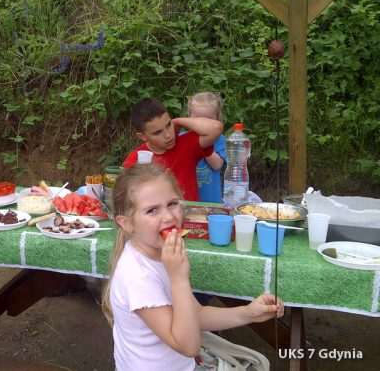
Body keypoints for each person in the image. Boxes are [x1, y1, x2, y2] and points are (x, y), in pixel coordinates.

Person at [101, 164, 284, 371]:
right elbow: (188, 347)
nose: (168, 217)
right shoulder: (138, 276)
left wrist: (248, 313)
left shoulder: (160, 255)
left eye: (172, 204)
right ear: (127, 223)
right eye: (152, 210)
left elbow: (196, 314)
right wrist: (178, 278)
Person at [122, 97, 223, 201]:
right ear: (142, 136)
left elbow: (216, 128)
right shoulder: (135, 160)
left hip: (190, 211)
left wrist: (178, 121)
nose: (168, 135)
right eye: (157, 132)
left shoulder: (187, 143)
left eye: (169, 125)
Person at [187, 92, 226, 204]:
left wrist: (204, 144)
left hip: (211, 202)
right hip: (187, 201)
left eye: (208, 119)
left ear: (217, 119)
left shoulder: (219, 140)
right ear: (189, 117)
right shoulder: (182, 139)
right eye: (197, 119)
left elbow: (217, 165)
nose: (202, 124)